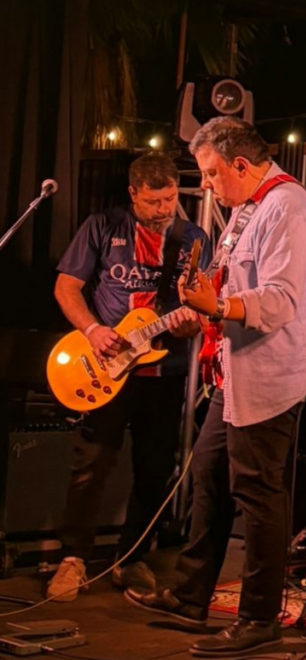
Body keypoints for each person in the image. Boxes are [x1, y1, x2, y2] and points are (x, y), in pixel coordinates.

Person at [125, 117, 306, 657]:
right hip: (237, 369)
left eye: (210, 174)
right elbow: (228, 286)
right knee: (209, 474)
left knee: (258, 490)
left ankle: (259, 618)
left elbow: (280, 299)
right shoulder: (249, 208)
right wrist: (202, 309)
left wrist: (218, 305)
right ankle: (191, 596)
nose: (206, 186)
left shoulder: (288, 208)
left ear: (240, 165)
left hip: (274, 371)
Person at [48, 154, 207, 603]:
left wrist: (190, 324)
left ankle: (132, 556)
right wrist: (92, 330)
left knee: (155, 469)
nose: (163, 209)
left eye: (170, 199)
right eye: (154, 201)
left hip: (164, 371)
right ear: (133, 193)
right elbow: (66, 286)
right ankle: (73, 558)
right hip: (105, 366)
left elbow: (199, 311)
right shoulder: (103, 226)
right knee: (91, 464)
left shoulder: (193, 238)